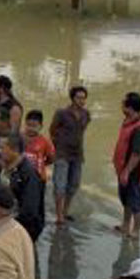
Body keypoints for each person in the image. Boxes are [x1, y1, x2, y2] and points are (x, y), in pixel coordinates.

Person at [51, 86, 90, 227]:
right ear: (73, 98)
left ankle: (66, 211)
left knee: (74, 184)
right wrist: (58, 145)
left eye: (84, 98)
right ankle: (59, 215)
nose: (82, 100)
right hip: (62, 153)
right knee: (60, 185)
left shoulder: (86, 114)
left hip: (78, 154)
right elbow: (52, 130)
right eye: (79, 97)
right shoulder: (61, 113)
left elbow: (82, 131)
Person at [114, 92, 140, 239]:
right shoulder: (129, 120)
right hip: (123, 168)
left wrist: (126, 172)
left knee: (135, 200)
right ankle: (125, 225)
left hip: (132, 171)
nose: (121, 105)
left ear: (129, 107)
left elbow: (137, 154)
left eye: (123, 103)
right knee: (126, 199)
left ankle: (136, 231)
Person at [0, 132, 45, 241]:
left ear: (14, 150)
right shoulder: (8, 168)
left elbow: (29, 211)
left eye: (2, 148)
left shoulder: (28, 174)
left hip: (24, 229)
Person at [23, 109, 56, 185]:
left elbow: (52, 158)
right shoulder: (19, 139)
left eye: (34, 126)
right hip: (20, 176)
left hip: (38, 177)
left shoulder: (45, 142)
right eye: (28, 125)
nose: (31, 128)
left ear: (41, 126)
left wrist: (43, 163)